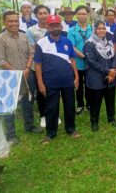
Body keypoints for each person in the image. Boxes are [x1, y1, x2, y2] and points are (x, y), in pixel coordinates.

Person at [0, 11, 43, 145]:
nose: (14, 23)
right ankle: (11, 135)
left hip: (27, 73)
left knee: (28, 100)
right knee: (9, 106)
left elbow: (31, 53)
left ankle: (30, 125)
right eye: (11, 21)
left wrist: (27, 69)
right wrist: (17, 73)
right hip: (9, 77)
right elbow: (1, 61)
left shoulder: (23, 36)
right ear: (4, 22)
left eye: (16, 21)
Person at [35, 15, 80, 144]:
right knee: (51, 107)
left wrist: (76, 76)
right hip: (50, 82)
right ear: (47, 27)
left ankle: (71, 129)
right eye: (52, 25)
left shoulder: (67, 41)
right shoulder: (41, 43)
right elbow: (38, 65)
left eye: (57, 25)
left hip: (67, 80)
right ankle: (51, 133)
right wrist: (40, 83)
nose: (55, 28)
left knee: (70, 106)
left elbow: (72, 60)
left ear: (61, 26)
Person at [84, 21, 116, 131]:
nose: (101, 30)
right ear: (94, 30)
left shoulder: (109, 42)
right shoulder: (89, 44)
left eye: (103, 28)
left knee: (110, 99)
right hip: (96, 78)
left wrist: (113, 70)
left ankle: (111, 118)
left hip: (111, 76)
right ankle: (94, 122)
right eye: (99, 28)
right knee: (96, 101)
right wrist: (108, 71)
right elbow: (92, 62)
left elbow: (114, 56)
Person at [26, 5, 51, 128]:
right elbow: (32, 49)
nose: (43, 15)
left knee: (53, 90)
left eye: (45, 13)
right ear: (36, 15)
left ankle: (54, 114)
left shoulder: (54, 27)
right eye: (40, 13)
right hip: (38, 66)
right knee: (41, 91)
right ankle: (43, 116)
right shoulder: (31, 30)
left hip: (52, 66)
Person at [67, 5, 93, 114]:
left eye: (84, 13)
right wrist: (83, 56)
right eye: (79, 14)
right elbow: (71, 46)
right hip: (77, 63)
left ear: (88, 15)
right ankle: (80, 105)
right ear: (76, 15)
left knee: (89, 84)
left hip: (91, 63)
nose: (82, 16)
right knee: (78, 84)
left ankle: (89, 103)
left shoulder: (93, 29)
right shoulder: (72, 30)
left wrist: (91, 58)